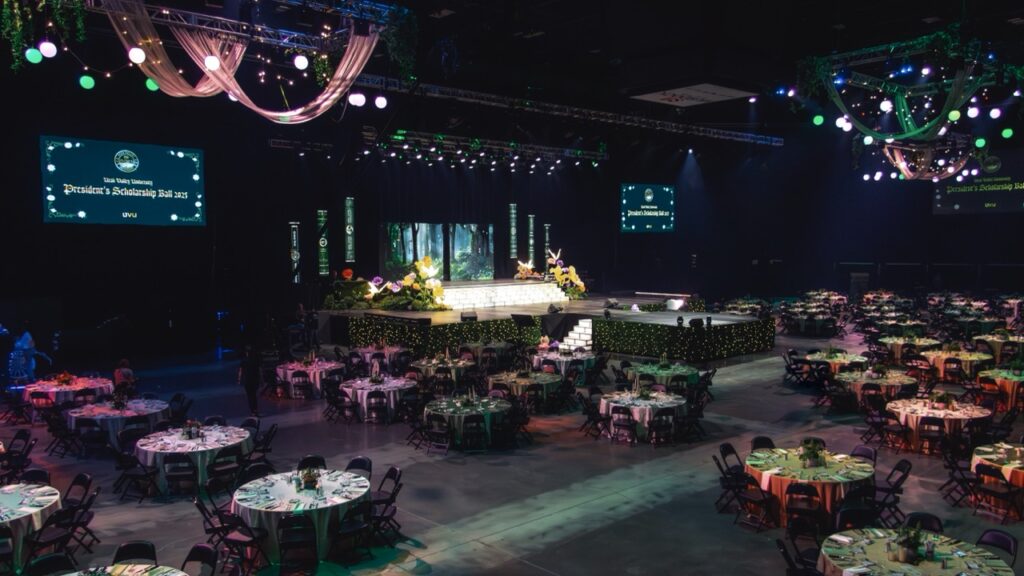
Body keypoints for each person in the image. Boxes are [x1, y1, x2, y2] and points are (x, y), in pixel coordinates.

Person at [239, 344, 262, 416]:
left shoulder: (243, 360)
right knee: (254, 395)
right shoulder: (256, 360)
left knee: (250, 396)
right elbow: (259, 370)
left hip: (247, 380)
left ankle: (252, 411)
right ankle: (255, 411)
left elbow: (241, 371)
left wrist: (239, 380)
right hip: (255, 379)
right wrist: (262, 380)